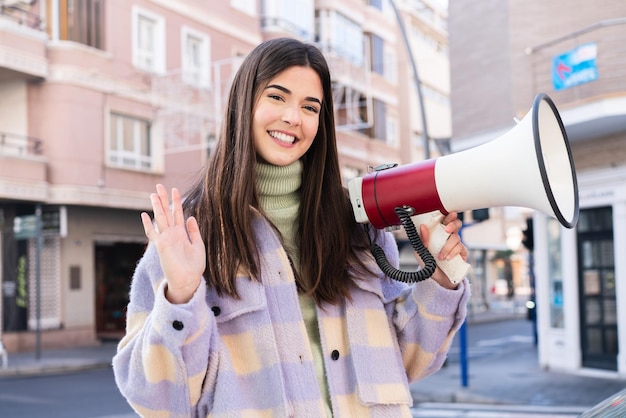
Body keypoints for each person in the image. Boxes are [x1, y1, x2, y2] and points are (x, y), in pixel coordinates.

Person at [113, 37, 470, 417]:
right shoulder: (190, 232)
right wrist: (182, 295)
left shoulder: (357, 222)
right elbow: (156, 401)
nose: (293, 118)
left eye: (310, 107)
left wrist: (441, 279)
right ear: (244, 103)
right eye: (277, 97)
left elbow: (409, 361)